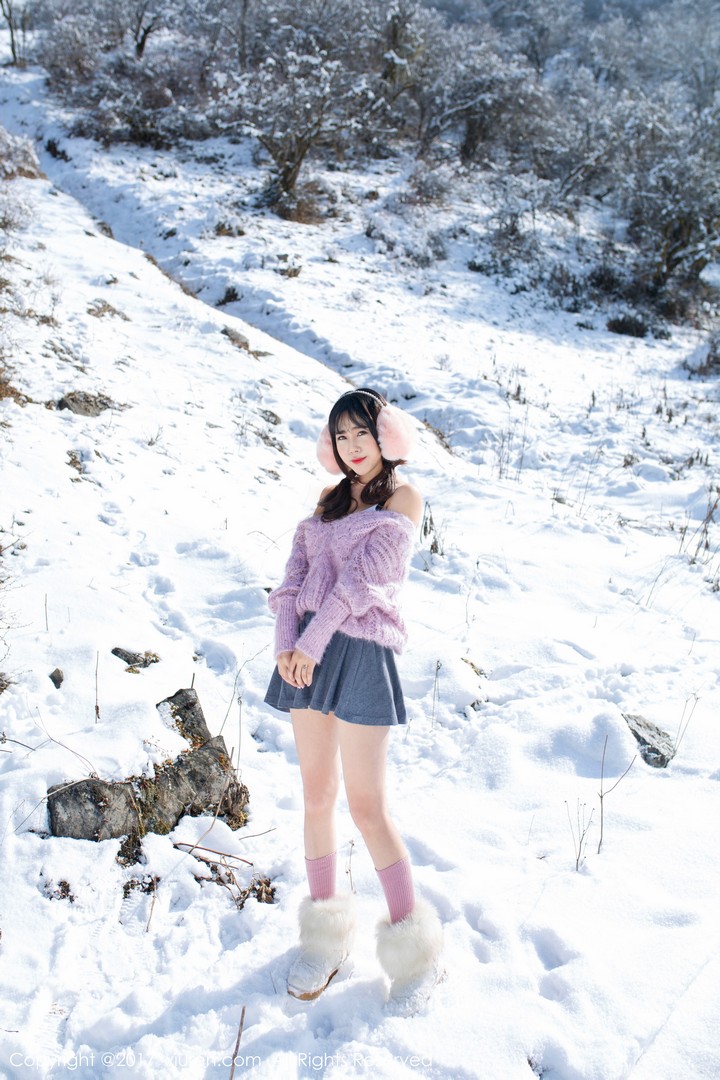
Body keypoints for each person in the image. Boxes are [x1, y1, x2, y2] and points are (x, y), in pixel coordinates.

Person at [264, 388, 443, 1015]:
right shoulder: (328, 501)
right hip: (306, 655)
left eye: (361, 432)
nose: (351, 445)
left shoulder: (403, 499)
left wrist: (309, 645)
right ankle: (325, 938)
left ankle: (417, 955)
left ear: (384, 435)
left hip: (360, 653)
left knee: (367, 807)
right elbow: (293, 581)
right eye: (340, 436)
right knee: (317, 796)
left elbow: (364, 585)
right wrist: (287, 646)